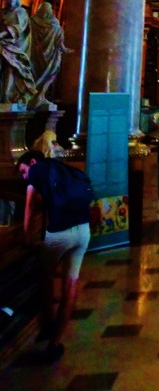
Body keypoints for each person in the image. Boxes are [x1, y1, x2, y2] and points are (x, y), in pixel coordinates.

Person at [17, 149, 92, 363]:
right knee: (70, 285)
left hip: (60, 232)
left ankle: (47, 322)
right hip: (83, 230)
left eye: (23, 171)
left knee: (44, 274)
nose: (24, 177)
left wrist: (26, 237)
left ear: (31, 162)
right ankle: (55, 343)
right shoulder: (63, 168)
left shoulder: (37, 170)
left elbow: (29, 203)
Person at [30, 0, 72, 108]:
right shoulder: (54, 22)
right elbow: (59, 42)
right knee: (50, 74)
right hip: (51, 57)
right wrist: (66, 50)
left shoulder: (32, 21)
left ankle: (35, 96)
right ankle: (40, 96)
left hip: (35, 55)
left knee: (35, 75)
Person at [0, 0, 36, 104]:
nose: (9, 2)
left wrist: (2, 34)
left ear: (16, 0)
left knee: (11, 67)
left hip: (15, 45)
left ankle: (6, 95)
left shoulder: (21, 12)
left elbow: (18, 28)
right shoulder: (2, 12)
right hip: (2, 44)